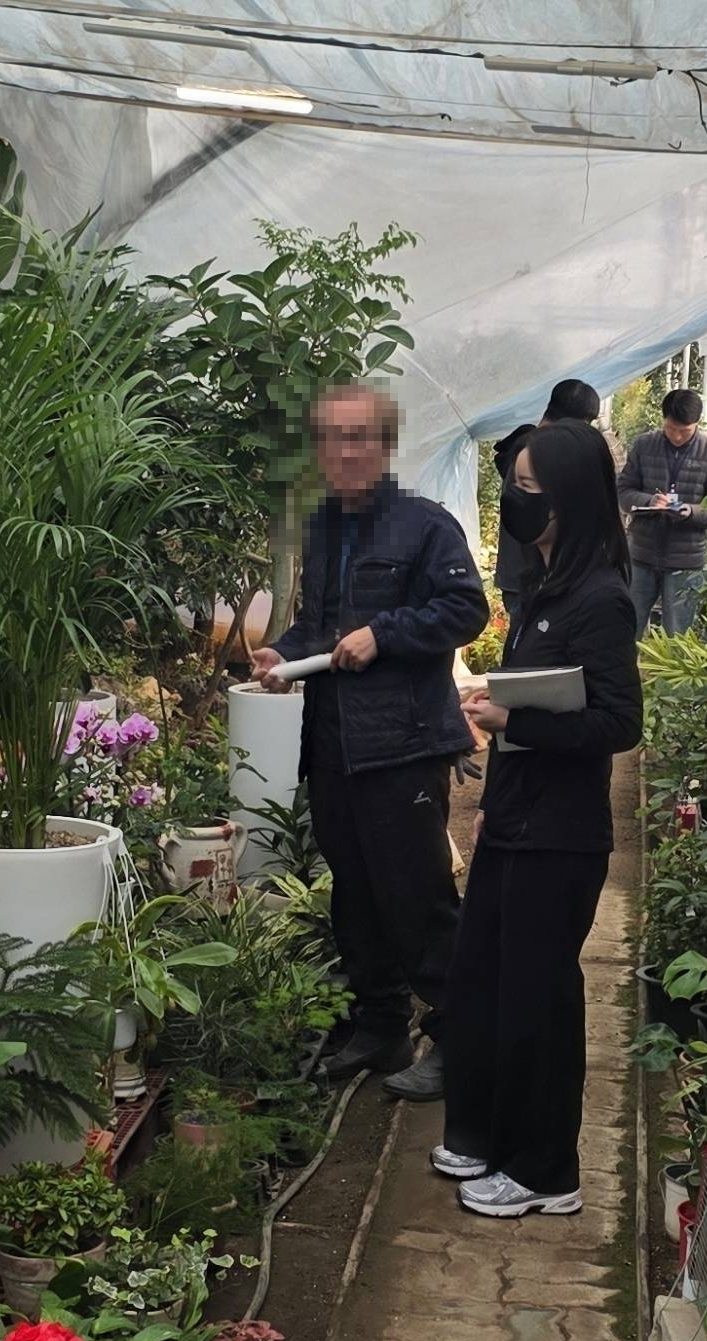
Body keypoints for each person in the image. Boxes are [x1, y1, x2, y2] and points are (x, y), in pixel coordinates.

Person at [251, 383, 488, 1103]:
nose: (343, 452)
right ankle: (380, 1026)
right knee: (354, 895)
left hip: (400, 746)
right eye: (330, 438)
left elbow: (465, 610)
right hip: (333, 746)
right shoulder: (324, 528)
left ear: (384, 446)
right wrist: (283, 652)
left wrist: (385, 634)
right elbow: (319, 627)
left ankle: (461, 1040)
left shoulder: (424, 525)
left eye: (358, 437)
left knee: (417, 898)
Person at [433, 420, 643, 1218]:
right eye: (511, 487)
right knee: (481, 978)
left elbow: (618, 722)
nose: (513, 503)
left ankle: (545, 1171)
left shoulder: (600, 599)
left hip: (560, 835)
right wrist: (492, 797)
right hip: (516, 819)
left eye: (527, 490)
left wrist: (511, 722)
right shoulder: (545, 585)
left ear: (569, 499)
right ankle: (486, 1135)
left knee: (537, 997)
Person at [616, 388, 707, 637]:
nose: (677, 436)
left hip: (686, 560)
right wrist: (649, 501)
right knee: (626, 627)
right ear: (663, 419)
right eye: (670, 428)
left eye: (684, 431)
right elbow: (624, 491)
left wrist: (690, 511)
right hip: (642, 553)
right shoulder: (645, 445)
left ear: (697, 424)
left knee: (678, 634)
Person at [494, 379, 602, 621]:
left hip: (523, 573)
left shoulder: (528, 445)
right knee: (537, 641)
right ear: (577, 423)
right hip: (535, 574)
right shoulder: (542, 453)